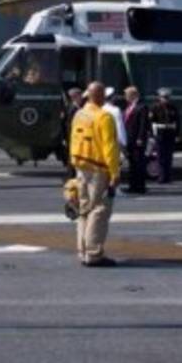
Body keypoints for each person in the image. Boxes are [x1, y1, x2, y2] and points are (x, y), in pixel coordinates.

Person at [70, 82, 121, 267]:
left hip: (81, 168)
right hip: (98, 170)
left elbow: (73, 141)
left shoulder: (79, 114)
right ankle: (93, 253)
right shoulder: (104, 117)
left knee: (83, 210)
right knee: (99, 210)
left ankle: (82, 251)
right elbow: (110, 147)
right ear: (99, 96)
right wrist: (115, 172)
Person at [122, 86, 151, 194]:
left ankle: (140, 186)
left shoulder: (141, 107)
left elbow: (143, 124)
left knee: (138, 163)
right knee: (132, 163)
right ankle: (132, 185)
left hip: (137, 139)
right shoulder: (129, 107)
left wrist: (140, 138)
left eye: (127, 95)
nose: (125, 97)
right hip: (130, 138)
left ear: (133, 95)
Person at [150, 88, 181, 184]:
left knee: (169, 156)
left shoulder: (173, 108)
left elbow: (177, 122)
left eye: (167, 97)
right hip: (160, 132)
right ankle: (161, 176)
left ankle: (168, 176)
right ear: (159, 98)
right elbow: (151, 121)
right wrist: (152, 134)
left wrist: (177, 134)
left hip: (170, 132)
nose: (166, 99)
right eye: (164, 97)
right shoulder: (155, 107)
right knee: (160, 156)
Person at [103, 87, 128, 156]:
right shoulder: (115, 110)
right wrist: (123, 143)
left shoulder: (100, 108)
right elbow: (119, 127)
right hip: (113, 142)